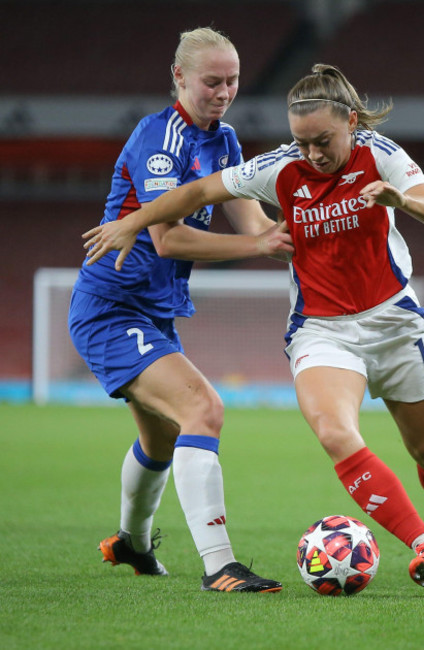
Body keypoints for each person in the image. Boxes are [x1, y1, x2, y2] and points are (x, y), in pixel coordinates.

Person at [83, 63, 424, 588]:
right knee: (334, 432)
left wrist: (400, 200)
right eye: (302, 142)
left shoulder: (383, 154)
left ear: (351, 122)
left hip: (394, 320)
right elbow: (196, 194)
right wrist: (133, 221)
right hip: (322, 329)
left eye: (323, 141)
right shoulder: (279, 167)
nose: (312, 154)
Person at [68, 27, 294, 593]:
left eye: (233, 81)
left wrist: (302, 237)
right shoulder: (160, 138)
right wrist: (257, 246)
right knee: (204, 409)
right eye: (212, 81)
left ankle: (131, 545)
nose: (224, 92)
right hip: (111, 306)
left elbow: (257, 225)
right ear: (179, 78)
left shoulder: (225, 140)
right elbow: (167, 240)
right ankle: (220, 566)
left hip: (153, 313)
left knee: (161, 441)